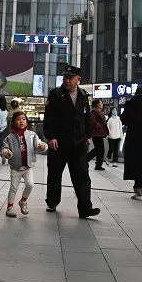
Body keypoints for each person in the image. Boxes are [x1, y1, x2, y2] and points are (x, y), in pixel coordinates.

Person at [43, 65, 100, 218]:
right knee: (55, 174)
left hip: (78, 144)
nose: (66, 80)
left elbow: (87, 118)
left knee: (82, 176)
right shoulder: (55, 94)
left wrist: (87, 136)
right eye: (65, 77)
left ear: (78, 79)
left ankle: (85, 208)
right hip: (59, 143)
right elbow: (49, 119)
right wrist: (51, 137)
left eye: (70, 77)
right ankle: (52, 202)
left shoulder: (83, 95)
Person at [2, 110, 47, 217]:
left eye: (23, 119)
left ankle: (23, 201)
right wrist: (6, 152)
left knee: (30, 184)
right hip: (15, 167)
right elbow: (4, 149)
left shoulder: (32, 135)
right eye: (18, 119)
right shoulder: (10, 137)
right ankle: (10, 207)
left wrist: (43, 146)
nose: (21, 121)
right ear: (13, 123)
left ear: (27, 122)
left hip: (27, 166)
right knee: (13, 188)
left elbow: (40, 143)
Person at [86, 99, 108, 171]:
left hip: (100, 133)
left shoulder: (98, 112)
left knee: (100, 149)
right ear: (97, 104)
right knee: (99, 149)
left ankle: (98, 164)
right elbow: (92, 120)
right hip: (96, 133)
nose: (102, 104)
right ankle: (86, 160)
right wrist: (98, 125)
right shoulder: (94, 112)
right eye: (101, 103)